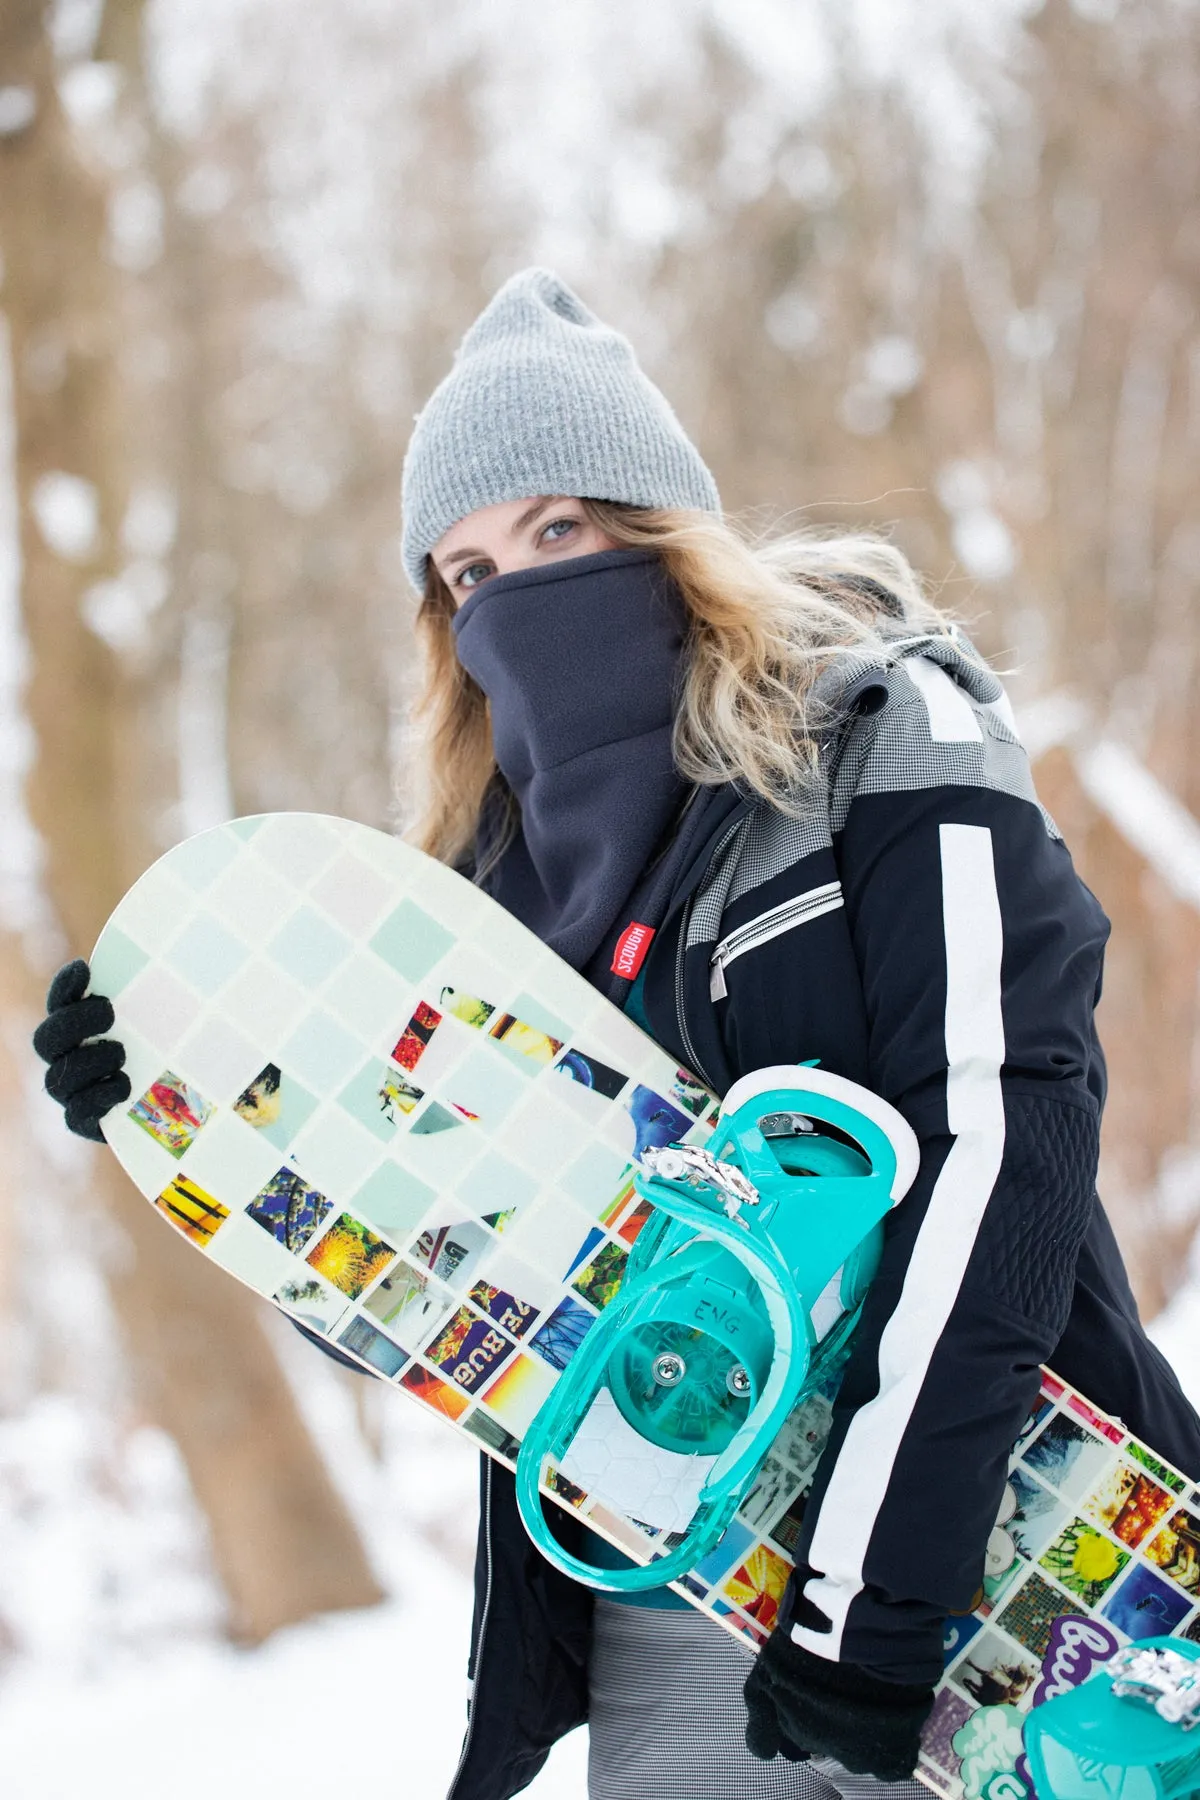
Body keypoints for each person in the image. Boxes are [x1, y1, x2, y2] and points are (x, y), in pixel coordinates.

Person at [33, 268, 1200, 1800]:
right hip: (671, 1609)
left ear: (659, 526)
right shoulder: (481, 910)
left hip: (1000, 1567)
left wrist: (873, 1592)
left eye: (556, 532)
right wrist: (211, 1115)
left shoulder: (891, 740)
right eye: (465, 573)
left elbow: (1000, 1148)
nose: (512, 598)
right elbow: (449, 1307)